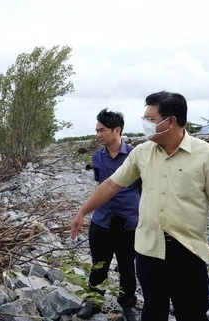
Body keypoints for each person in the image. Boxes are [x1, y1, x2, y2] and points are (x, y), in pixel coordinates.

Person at [71, 91, 209, 321]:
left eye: (151, 119)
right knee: (153, 310)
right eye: (144, 118)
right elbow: (111, 185)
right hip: (149, 250)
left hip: (188, 250)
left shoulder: (208, 155)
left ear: (172, 121)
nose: (145, 124)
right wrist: (83, 211)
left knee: (191, 313)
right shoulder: (142, 153)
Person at [76, 109, 141, 321]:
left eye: (102, 130)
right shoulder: (97, 157)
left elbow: (143, 187)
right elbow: (100, 187)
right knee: (98, 264)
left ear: (117, 130)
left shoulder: (135, 155)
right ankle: (94, 300)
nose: (98, 134)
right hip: (102, 221)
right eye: (96, 130)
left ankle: (128, 304)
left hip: (128, 222)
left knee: (127, 266)